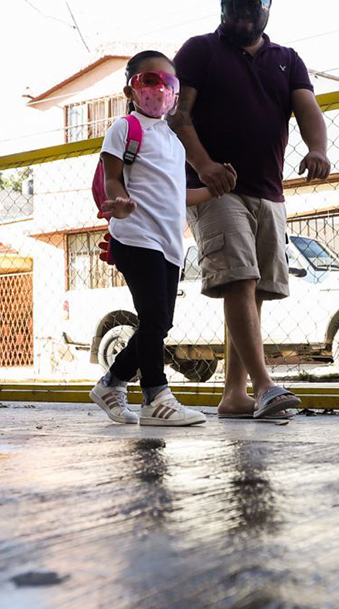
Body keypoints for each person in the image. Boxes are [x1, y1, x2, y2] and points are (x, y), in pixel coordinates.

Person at [169, 0, 330, 420]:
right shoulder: (200, 50)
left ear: (267, 5)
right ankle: (265, 387)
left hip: (268, 191)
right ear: (222, 5)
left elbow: (308, 109)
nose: (241, 9)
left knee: (253, 293)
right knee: (238, 279)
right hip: (213, 190)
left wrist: (317, 149)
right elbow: (180, 116)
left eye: (251, 0)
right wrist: (204, 165)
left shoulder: (287, 59)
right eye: (232, 1)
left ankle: (234, 395)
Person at [88, 51, 225, 427]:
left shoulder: (174, 140)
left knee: (159, 323)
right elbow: (113, 177)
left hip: (169, 245)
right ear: (130, 88)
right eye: (150, 80)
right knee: (154, 317)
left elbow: (180, 195)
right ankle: (156, 397)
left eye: (169, 83)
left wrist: (216, 189)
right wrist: (117, 200)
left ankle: (112, 382)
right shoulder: (124, 129)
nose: (160, 89)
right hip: (134, 236)